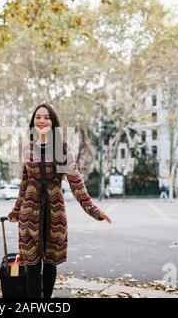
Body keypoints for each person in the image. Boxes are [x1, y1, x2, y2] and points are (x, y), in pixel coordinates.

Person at [7, 103, 112, 298]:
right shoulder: (28, 149)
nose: (41, 121)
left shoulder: (63, 148)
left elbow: (76, 182)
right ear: (33, 122)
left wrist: (94, 210)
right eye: (38, 117)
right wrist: (15, 211)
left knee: (50, 263)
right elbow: (24, 184)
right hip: (30, 213)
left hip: (55, 211)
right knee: (31, 264)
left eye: (46, 117)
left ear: (53, 122)